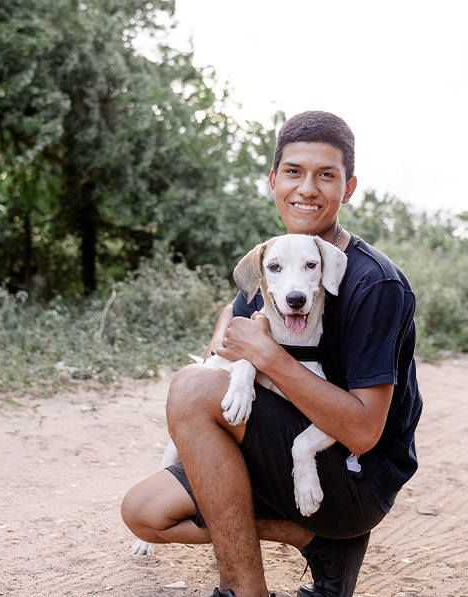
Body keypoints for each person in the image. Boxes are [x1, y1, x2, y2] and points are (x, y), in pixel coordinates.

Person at [122, 111, 422, 597]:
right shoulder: (276, 262)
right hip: (285, 444)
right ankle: (314, 539)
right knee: (144, 514)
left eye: (326, 175)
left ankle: (244, 589)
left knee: (193, 387)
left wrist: (266, 356)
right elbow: (237, 314)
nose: (307, 188)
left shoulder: (374, 284)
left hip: (353, 476)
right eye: (293, 172)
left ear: (349, 189)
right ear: (273, 181)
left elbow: (365, 432)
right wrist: (231, 332)